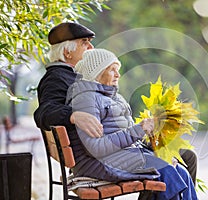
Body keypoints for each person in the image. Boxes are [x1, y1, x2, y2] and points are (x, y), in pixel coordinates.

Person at [33, 22, 198, 185]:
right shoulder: (57, 78)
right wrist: (72, 115)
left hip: (116, 146)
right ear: (67, 52)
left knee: (187, 156)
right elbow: (43, 113)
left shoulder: (78, 76)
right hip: (101, 155)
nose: (91, 47)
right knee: (170, 164)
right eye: (84, 43)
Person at [66, 48, 198, 200]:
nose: (118, 74)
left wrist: (155, 142)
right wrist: (139, 129)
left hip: (120, 156)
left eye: (118, 70)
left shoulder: (114, 98)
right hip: (98, 162)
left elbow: (127, 137)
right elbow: (95, 148)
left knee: (178, 170)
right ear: (96, 73)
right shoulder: (86, 99)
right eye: (112, 70)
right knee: (167, 170)